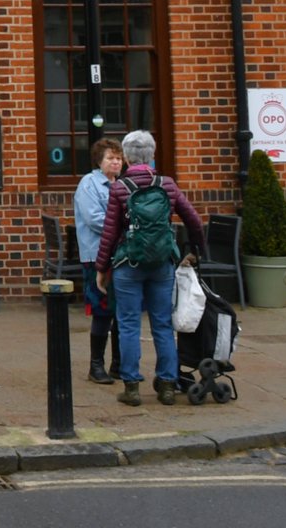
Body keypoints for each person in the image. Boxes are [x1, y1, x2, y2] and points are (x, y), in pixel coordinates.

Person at [95, 129, 207, 407]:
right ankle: (167, 385)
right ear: (152, 155)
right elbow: (193, 220)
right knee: (163, 325)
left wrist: (101, 268)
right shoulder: (166, 184)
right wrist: (196, 249)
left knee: (129, 324)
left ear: (128, 158)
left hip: (128, 265)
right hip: (162, 264)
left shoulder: (120, 188)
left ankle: (132, 387)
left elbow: (110, 232)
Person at [74, 136, 124, 384]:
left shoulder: (122, 185)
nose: (116, 163)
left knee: (121, 310)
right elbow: (94, 219)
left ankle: (118, 364)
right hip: (97, 256)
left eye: (118, 158)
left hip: (121, 257)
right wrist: (123, 227)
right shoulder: (89, 184)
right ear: (99, 161)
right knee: (102, 310)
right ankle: (96, 366)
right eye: (111, 158)